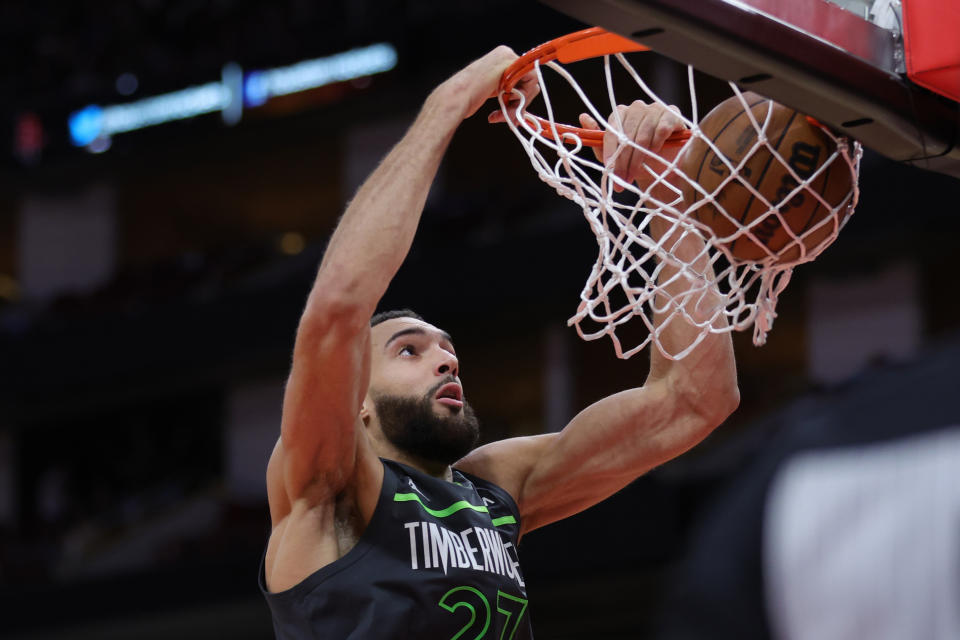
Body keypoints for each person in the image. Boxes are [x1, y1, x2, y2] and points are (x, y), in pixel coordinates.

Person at [258, 45, 739, 639]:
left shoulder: (494, 489)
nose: (444, 358)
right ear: (354, 399)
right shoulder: (327, 490)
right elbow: (336, 310)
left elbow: (694, 401)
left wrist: (668, 197)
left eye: (445, 347)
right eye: (409, 350)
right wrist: (447, 105)